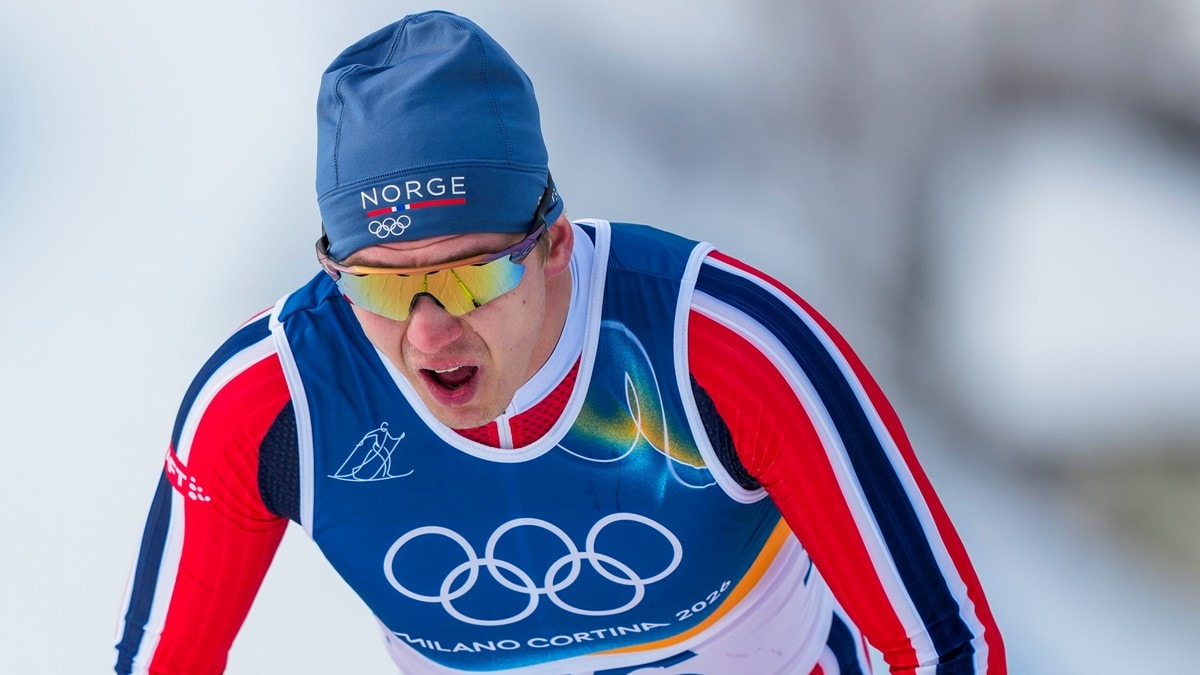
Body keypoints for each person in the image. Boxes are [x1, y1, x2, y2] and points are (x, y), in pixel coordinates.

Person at [114, 10, 1005, 675]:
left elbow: (945, 643)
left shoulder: (720, 348)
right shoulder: (270, 407)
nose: (428, 329)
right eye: (378, 285)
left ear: (554, 243)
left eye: (469, 275)